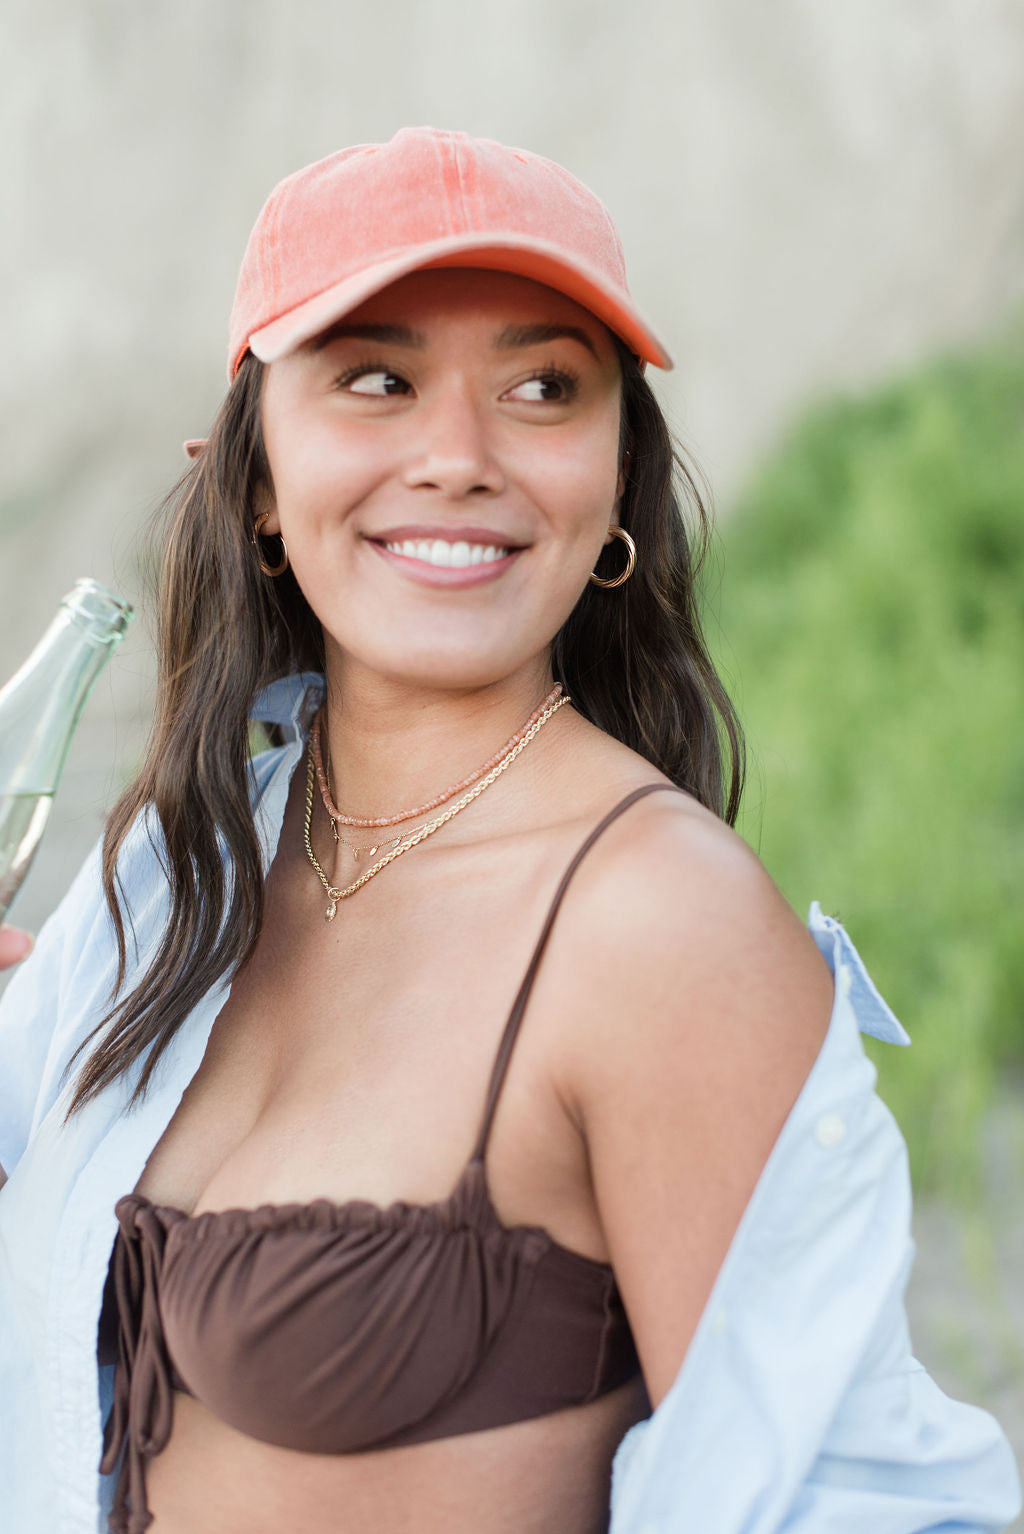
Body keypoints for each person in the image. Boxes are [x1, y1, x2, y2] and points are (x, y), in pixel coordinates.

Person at [0, 127, 1018, 1534]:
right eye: (377, 379)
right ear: (252, 482)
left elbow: (864, 1503)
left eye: (545, 387)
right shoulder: (177, 870)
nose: (462, 457)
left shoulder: (659, 926)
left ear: (613, 482)